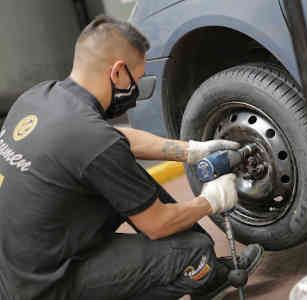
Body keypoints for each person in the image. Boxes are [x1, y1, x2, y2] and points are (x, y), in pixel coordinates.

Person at [0, 15, 263, 300]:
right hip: (46, 287)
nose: (134, 91)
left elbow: (117, 141)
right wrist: (210, 201)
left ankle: (208, 276)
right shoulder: (93, 140)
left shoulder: (40, 97)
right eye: (136, 80)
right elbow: (158, 223)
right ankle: (201, 271)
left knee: (133, 182)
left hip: (20, 267)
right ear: (117, 73)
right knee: (194, 252)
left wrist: (190, 150)